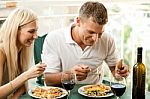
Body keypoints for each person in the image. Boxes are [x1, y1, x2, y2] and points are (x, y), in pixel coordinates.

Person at [42, 1, 129, 86]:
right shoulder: (54, 38)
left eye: (100, 33)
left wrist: (120, 72)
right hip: (64, 92)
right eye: (91, 32)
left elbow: (115, 70)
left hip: (96, 93)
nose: (95, 38)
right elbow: (48, 79)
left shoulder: (107, 40)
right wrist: (70, 75)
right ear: (78, 21)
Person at [0, 8, 46, 99]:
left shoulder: (21, 50)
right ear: (15, 30)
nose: (36, 36)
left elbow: (22, 89)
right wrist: (26, 75)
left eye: (36, 30)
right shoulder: (1, 52)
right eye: (31, 31)